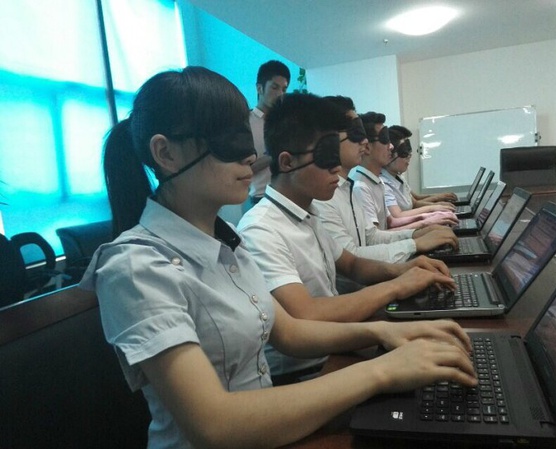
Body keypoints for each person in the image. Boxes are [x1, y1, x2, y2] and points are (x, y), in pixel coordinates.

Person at [79, 67, 476, 449]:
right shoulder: (136, 267)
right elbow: (215, 424)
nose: (250, 156)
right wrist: (382, 370)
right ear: (165, 153)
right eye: (227, 139)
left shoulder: (226, 241)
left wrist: (383, 334)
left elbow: (288, 331)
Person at [237, 93, 462, 382]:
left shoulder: (307, 213)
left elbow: (352, 264)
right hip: (308, 373)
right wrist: (397, 286)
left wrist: (406, 269)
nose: (336, 168)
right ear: (287, 162)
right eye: (326, 157)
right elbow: (307, 313)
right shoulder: (261, 229)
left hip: (338, 347)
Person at [313, 95, 458, 265]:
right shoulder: (331, 196)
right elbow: (352, 259)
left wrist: (418, 234)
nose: (364, 141)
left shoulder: (348, 188)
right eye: (355, 133)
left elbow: (371, 237)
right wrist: (415, 243)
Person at [381, 126, 459, 227]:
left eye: (409, 151)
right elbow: (397, 216)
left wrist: (438, 205)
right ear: (389, 155)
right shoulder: (383, 183)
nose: (409, 156)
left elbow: (414, 202)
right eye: (404, 153)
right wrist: (433, 208)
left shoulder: (398, 177)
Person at [244, 60, 290, 212]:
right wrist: (275, 154)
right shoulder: (245, 123)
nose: (280, 94)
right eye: (274, 87)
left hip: (290, 195)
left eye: (284, 89)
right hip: (261, 198)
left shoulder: (285, 122)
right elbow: (244, 169)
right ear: (259, 88)